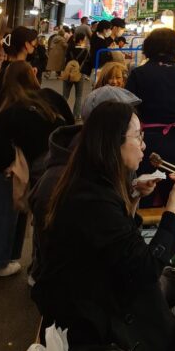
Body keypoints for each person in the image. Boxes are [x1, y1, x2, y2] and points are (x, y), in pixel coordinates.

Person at [34, 101, 175, 351]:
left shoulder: (88, 181)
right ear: (114, 143)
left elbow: (116, 246)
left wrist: (133, 198)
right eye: (137, 136)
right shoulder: (90, 197)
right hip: (95, 326)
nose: (144, 145)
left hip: (95, 301)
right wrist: (173, 201)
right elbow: (144, 269)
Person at [29, 86, 142, 287]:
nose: (142, 143)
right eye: (133, 131)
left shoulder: (107, 163)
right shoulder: (67, 176)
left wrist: (135, 195)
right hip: (73, 289)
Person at [0, 59, 72, 276]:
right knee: (41, 218)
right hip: (52, 167)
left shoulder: (2, 105)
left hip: (9, 167)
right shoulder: (49, 100)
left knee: (4, 213)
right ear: (33, 75)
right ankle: (36, 268)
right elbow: (66, 125)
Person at [126, 29, 175, 207]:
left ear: (149, 47)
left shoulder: (138, 73)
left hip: (145, 141)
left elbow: (128, 108)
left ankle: (142, 227)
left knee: (145, 186)